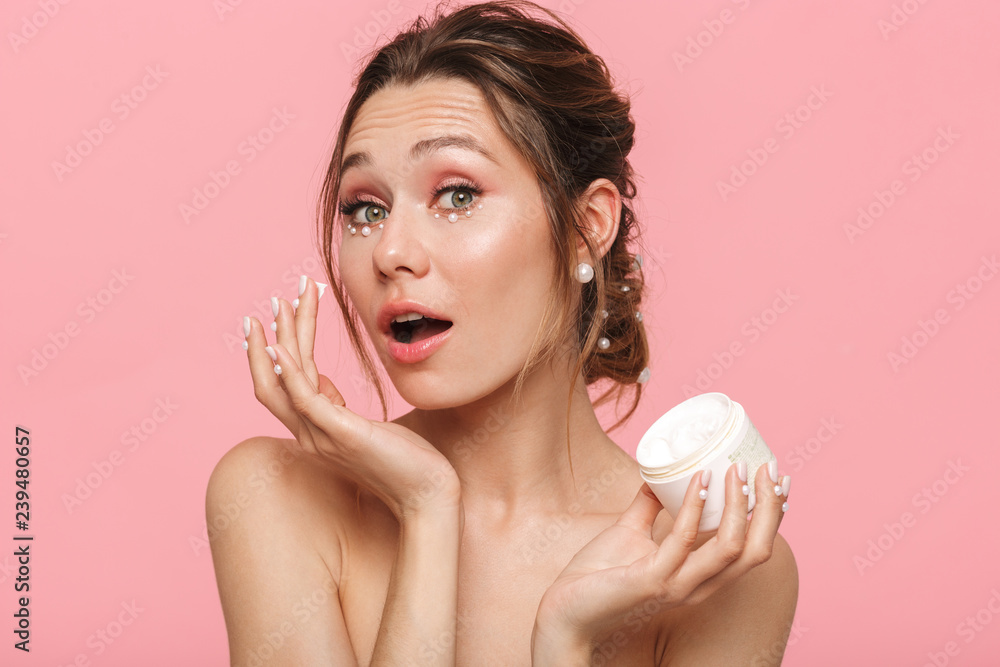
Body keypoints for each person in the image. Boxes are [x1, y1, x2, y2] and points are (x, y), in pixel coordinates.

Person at [206, 1, 798, 664]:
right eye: (365, 207)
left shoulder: (705, 560)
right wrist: (429, 505)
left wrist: (564, 637)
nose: (391, 251)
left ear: (586, 225)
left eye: (457, 194)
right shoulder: (276, 496)